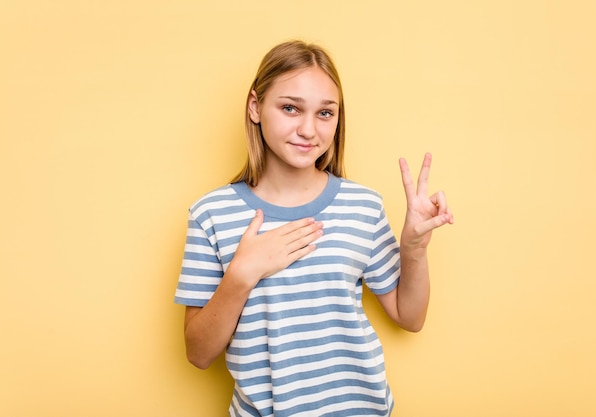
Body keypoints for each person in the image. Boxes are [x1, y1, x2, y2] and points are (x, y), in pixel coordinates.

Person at [174, 40, 453, 417]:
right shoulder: (211, 214)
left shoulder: (363, 206)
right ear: (255, 107)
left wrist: (414, 249)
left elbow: (410, 317)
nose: (309, 130)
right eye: (290, 108)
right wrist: (243, 273)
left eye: (325, 113)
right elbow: (198, 354)